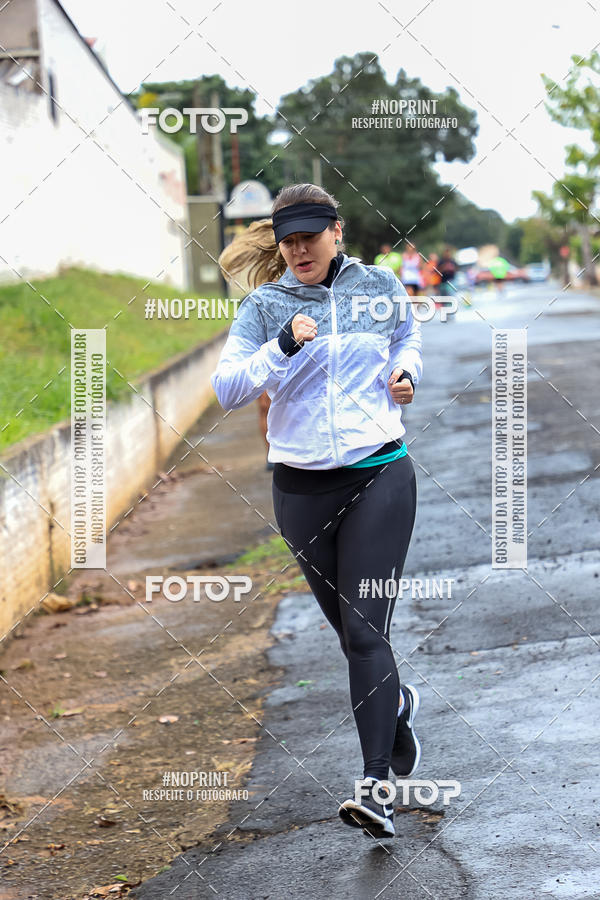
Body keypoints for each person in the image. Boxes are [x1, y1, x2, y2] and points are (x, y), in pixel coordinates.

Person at [211, 183, 423, 840]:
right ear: (279, 244)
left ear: (336, 231)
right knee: (351, 634)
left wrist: (406, 371)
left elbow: (406, 336)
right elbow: (225, 389)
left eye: (311, 234)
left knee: (364, 632)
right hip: (301, 491)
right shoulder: (263, 306)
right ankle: (397, 703)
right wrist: (280, 347)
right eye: (289, 238)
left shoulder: (379, 286)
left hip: (379, 472)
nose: (299, 248)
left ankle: (376, 785)